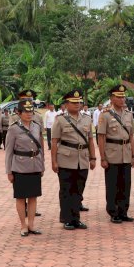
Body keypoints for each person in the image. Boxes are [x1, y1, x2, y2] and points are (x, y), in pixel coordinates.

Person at [51, 90, 96, 230]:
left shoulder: (87, 119)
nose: (77, 104)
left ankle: (76, 218)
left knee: (78, 190)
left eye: (79, 102)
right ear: (66, 104)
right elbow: (54, 142)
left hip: (82, 159)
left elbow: (90, 140)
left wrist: (93, 157)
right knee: (66, 190)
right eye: (74, 102)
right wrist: (54, 161)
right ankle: (67, 219)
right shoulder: (60, 119)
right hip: (65, 159)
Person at [5, 99, 45, 237]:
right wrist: (9, 171)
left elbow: (41, 147)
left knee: (33, 197)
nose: (29, 114)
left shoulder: (36, 126)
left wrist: (42, 165)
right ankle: (23, 225)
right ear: (19, 113)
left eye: (31, 111)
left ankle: (32, 224)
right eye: (26, 112)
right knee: (21, 198)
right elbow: (8, 152)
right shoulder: (14, 128)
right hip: (20, 167)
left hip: (35, 165)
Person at [97, 84, 134, 223]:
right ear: (112, 98)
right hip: (112, 154)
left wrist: (133, 155)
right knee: (113, 185)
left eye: (123, 96)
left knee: (125, 185)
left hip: (126, 154)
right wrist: (102, 158)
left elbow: (131, 135)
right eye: (119, 97)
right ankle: (113, 212)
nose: (122, 99)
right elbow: (101, 137)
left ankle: (123, 211)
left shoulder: (128, 114)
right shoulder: (105, 115)